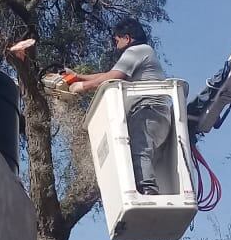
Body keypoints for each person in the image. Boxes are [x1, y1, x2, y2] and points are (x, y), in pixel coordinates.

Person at [64, 17, 172, 195]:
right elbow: (108, 74)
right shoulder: (142, 52)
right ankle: (145, 190)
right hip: (154, 114)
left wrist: (82, 87)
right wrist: (78, 76)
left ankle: (149, 193)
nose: (115, 42)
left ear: (128, 38)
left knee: (139, 149)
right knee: (136, 152)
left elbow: (112, 77)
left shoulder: (137, 51)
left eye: (117, 38)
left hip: (148, 110)